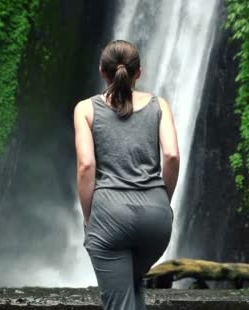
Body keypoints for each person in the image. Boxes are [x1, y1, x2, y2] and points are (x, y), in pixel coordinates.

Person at [73, 39, 180, 309]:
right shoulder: (160, 105)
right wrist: (161, 201)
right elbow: (172, 156)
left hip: (110, 216)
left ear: (102, 71)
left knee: (120, 302)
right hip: (156, 220)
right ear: (138, 73)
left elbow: (86, 166)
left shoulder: (85, 109)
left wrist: (89, 218)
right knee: (131, 287)